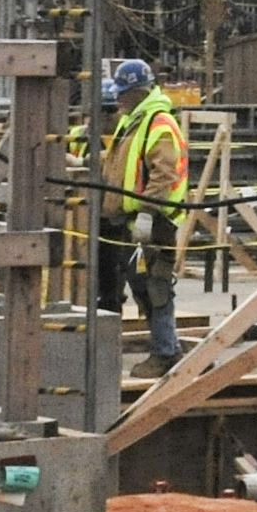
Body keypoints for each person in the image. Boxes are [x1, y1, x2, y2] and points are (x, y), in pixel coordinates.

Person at [92, 55, 189, 368]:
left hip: (154, 222)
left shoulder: (159, 123)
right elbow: (119, 165)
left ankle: (166, 353)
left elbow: (164, 173)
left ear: (139, 91)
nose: (118, 99)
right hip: (132, 220)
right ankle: (166, 348)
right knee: (140, 285)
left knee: (155, 287)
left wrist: (147, 212)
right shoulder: (134, 119)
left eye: (123, 93)